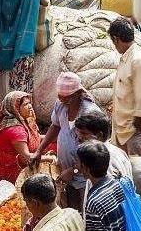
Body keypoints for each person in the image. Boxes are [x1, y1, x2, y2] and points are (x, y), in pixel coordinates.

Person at [32, 72, 104, 210]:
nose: (61, 99)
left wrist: (75, 170)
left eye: (66, 97)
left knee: (86, 208)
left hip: (85, 174)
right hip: (65, 170)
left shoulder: (89, 113)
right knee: (71, 207)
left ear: (77, 93)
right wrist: (39, 150)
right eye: (59, 96)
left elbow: (94, 149)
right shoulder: (60, 105)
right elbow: (55, 126)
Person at [109, 17, 141, 157]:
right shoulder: (127, 58)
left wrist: (137, 125)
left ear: (116, 39)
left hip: (136, 132)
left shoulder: (138, 60)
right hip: (125, 129)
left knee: (139, 172)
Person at [0, 91, 40, 185]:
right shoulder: (15, 129)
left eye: (29, 103)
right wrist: (51, 158)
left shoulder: (14, 121)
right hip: (10, 176)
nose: (30, 106)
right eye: (25, 104)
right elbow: (28, 157)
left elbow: (36, 138)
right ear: (15, 108)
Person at [72, 112, 131, 181]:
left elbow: (110, 188)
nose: (79, 138)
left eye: (84, 133)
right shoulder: (114, 151)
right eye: (78, 132)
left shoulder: (105, 159)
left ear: (99, 135)